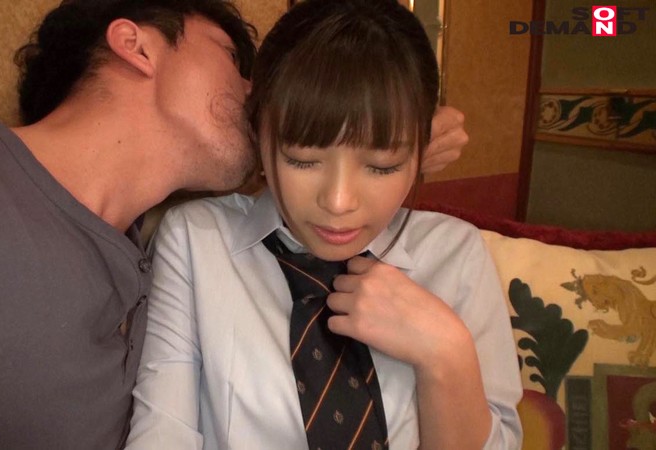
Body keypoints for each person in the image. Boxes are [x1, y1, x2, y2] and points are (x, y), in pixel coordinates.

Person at [0, 0, 466, 448]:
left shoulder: (157, 237)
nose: (259, 94)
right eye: (236, 62)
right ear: (137, 45)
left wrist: (381, 133)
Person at [125, 0, 522, 449]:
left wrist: (446, 354)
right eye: (302, 160)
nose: (338, 202)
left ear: (421, 152)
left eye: (382, 166)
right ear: (258, 135)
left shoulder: (456, 254)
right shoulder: (197, 241)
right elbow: (163, 431)